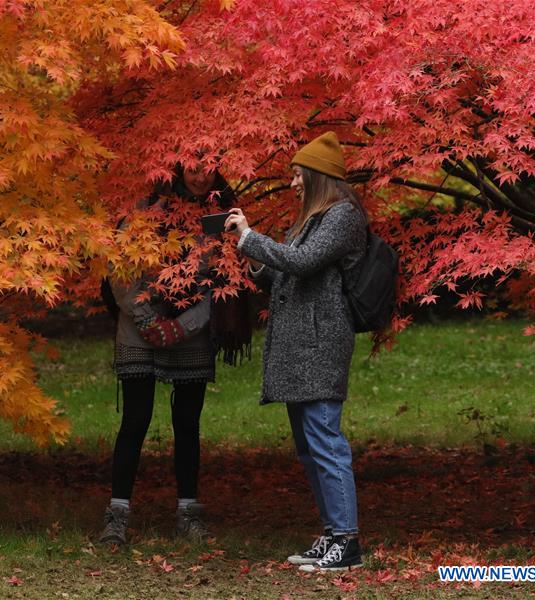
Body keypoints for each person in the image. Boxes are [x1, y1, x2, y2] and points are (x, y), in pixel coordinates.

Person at [224, 132, 367, 571]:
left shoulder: (342, 216)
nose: (292, 184)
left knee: (325, 441)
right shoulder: (312, 219)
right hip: (300, 345)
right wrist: (251, 258)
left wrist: (252, 237)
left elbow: (302, 263)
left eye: (298, 174)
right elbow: (288, 277)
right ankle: (332, 534)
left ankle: (347, 541)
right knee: (310, 447)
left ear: (318, 176)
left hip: (320, 343)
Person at [98, 158, 249, 546]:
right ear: (179, 167)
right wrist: (148, 322)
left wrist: (183, 326)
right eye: (193, 167)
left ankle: (188, 511)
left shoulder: (223, 215)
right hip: (138, 324)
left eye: (210, 167)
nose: (201, 176)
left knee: (187, 422)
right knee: (135, 419)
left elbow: (224, 284)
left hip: (193, 329)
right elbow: (120, 272)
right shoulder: (145, 208)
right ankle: (117, 513)